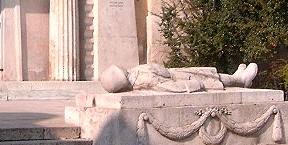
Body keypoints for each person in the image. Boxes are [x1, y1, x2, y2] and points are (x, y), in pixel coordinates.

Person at [100, 62, 259, 93]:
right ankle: (241, 80)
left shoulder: (135, 72)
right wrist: (194, 85)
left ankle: (236, 77)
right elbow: (165, 86)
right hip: (181, 79)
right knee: (212, 79)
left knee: (210, 74)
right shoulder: (143, 78)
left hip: (176, 72)